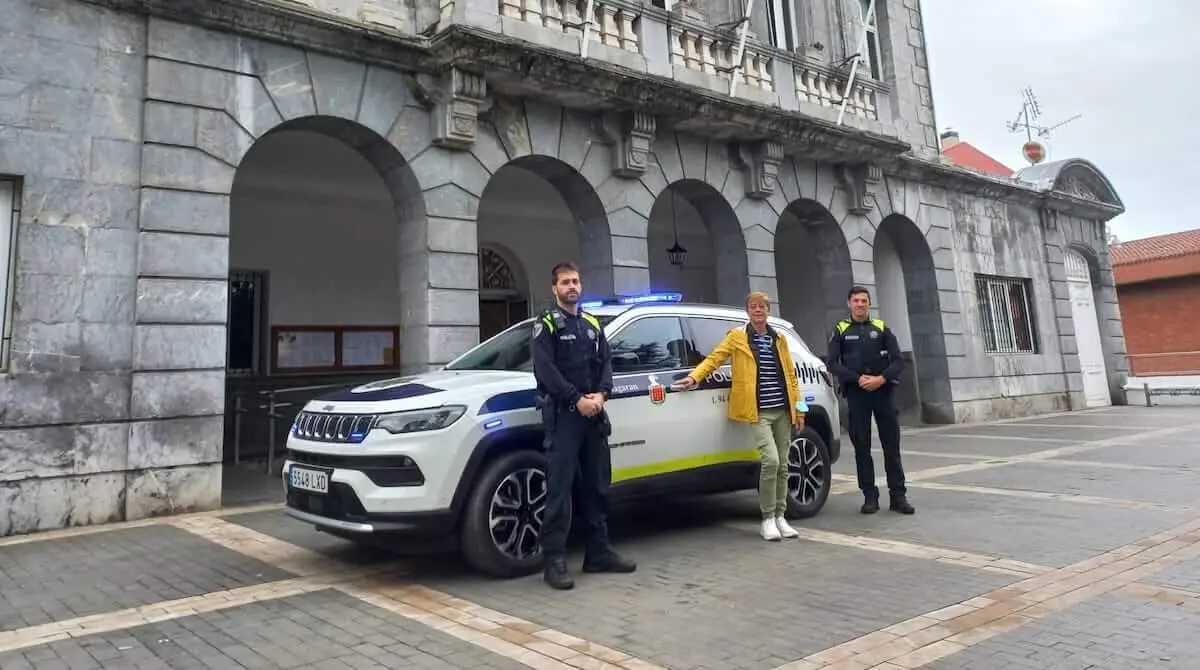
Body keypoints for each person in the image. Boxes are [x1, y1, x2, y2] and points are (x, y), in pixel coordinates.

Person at [531, 262, 636, 590]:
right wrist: (576, 398)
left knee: (597, 485)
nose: (572, 287)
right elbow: (545, 370)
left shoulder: (592, 322)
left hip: (594, 415)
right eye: (565, 282)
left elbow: (606, 363)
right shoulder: (546, 324)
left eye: (576, 281)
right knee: (560, 489)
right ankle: (555, 560)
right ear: (555, 288)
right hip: (564, 416)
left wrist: (602, 395)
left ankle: (598, 552)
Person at [672, 291, 807, 542]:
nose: (758, 310)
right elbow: (714, 358)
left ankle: (781, 516)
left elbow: (791, 375)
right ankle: (767, 518)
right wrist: (694, 377)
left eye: (762, 307)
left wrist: (799, 410)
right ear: (748, 311)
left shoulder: (779, 338)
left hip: (783, 410)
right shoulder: (737, 336)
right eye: (753, 307)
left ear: (768, 310)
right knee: (771, 462)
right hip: (758, 411)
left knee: (784, 464)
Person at [825, 286, 915, 516]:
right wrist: (857, 379)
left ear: (869, 304)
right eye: (856, 301)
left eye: (864, 300)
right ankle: (870, 497)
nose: (860, 304)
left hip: (883, 393)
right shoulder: (841, 330)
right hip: (857, 394)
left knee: (891, 446)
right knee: (862, 448)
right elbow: (832, 364)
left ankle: (898, 496)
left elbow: (898, 361)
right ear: (849, 304)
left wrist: (881, 378)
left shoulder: (881, 328)